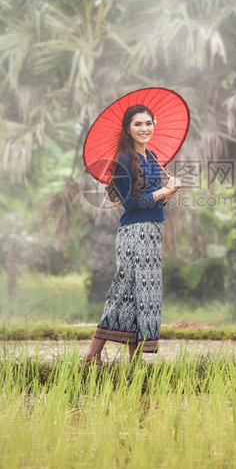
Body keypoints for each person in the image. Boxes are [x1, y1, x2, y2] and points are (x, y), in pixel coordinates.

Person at [82, 104, 182, 364]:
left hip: (152, 231)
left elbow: (153, 203)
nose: (144, 128)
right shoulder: (124, 160)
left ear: (154, 124)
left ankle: (134, 361)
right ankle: (92, 354)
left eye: (148, 123)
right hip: (134, 234)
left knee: (140, 295)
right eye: (138, 124)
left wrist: (168, 191)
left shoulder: (152, 158)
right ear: (128, 128)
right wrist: (164, 192)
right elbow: (133, 204)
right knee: (123, 291)